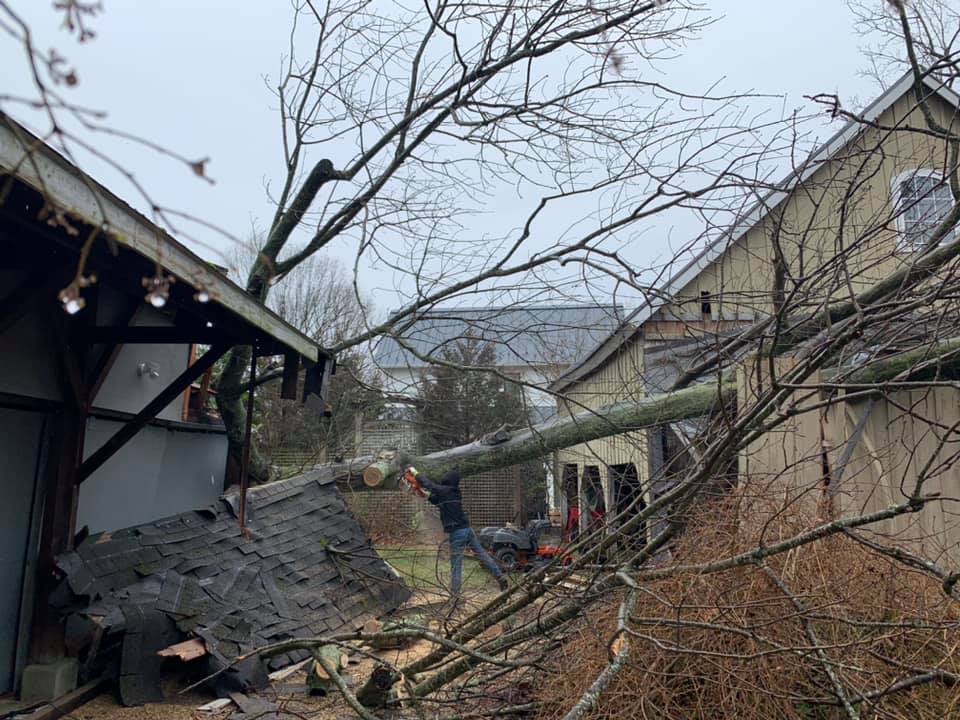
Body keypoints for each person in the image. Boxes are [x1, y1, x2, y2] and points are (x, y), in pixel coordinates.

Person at [407, 467, 508, 595]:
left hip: (457, 532)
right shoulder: (452, 493)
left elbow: (429, 485)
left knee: (456, 565)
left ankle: (455, 596)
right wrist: (419, 490)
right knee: (482, 554)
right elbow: (435, 500)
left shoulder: (447, 490)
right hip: (467, 529)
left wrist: (414, 472)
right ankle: (500, 576)